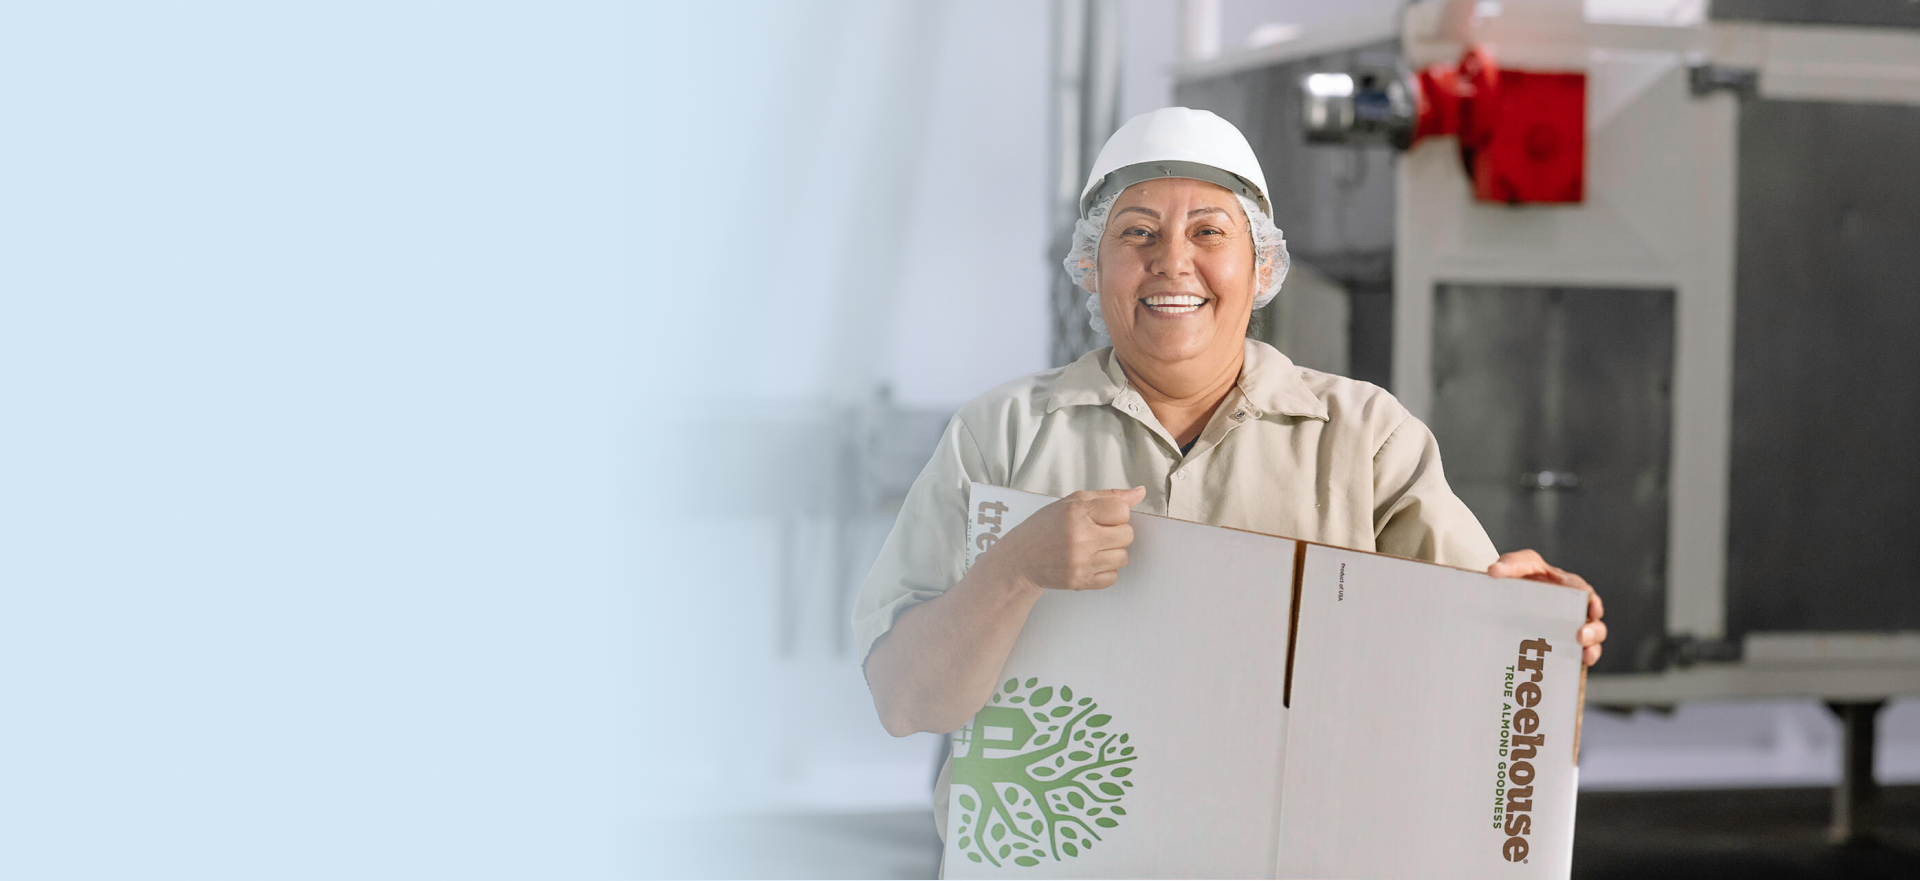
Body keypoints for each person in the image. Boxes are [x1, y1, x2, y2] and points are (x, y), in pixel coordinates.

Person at [852, 106, 1606, 805]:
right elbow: (903, 701)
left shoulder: (1366, 440)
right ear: (1091, 265)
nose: (1171, 262)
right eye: (1137, 233)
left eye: (1208, 232)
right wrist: (1014, 567)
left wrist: (1543, 626)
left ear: (1261, 268)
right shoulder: (1001, 435)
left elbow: (1484, 700)